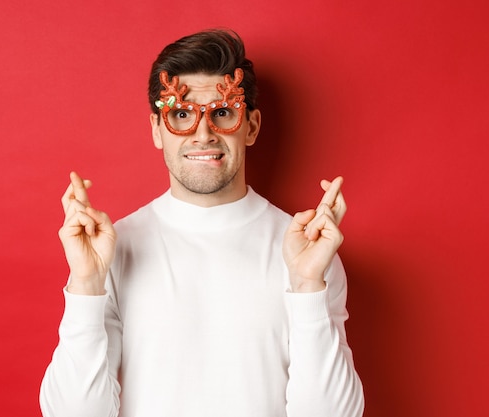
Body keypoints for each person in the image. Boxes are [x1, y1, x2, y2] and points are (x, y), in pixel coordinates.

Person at [40, 29, 364, 417]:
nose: (203, 133)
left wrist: (308, 285)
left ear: (252, 126)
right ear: (157, 130)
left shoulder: (308, 253)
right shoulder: (113, 250)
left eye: (223, 112)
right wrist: (86, 286)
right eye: (181, 114)